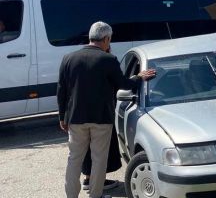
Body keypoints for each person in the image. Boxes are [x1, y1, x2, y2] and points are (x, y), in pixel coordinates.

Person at [57, 22, 156, 198]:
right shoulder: (108, 59)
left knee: (74, 159)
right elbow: (124, 84)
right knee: (99, 159)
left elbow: (61, 90)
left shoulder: (68, 58)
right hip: (101, 119)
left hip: (75, 118)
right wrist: (139, 77)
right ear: (106, 39)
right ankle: (96, 195)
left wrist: (62, 117)